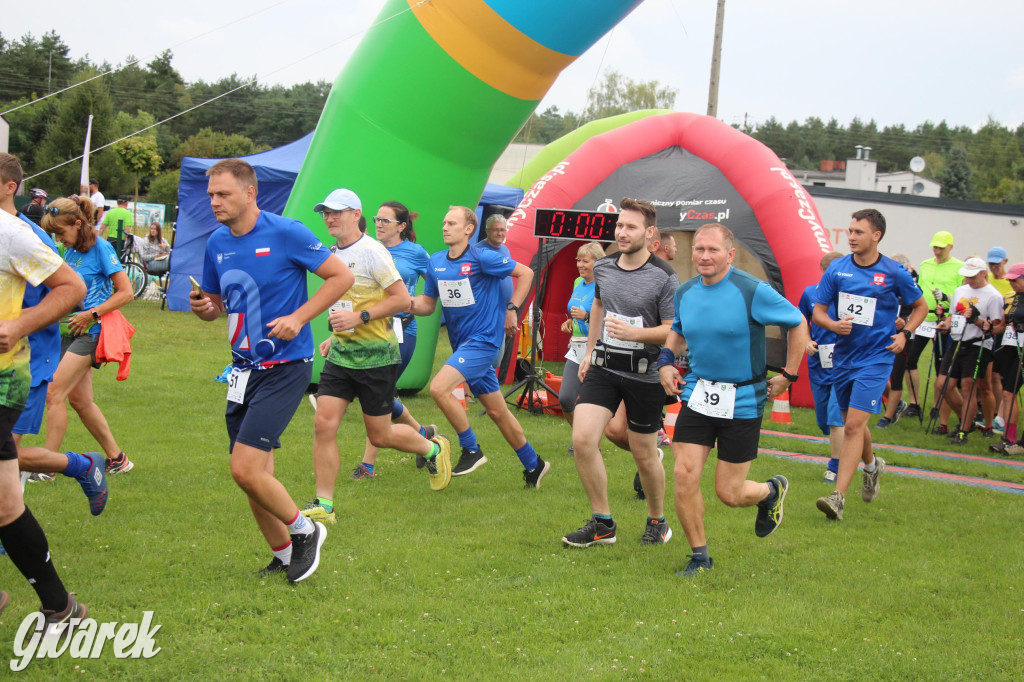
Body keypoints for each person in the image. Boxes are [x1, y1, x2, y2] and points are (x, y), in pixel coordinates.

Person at [189, 159, 353, 583]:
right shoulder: (216, 243)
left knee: (244, 469)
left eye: (223, 194)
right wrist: (205, 308)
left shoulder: (286, 232)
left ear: (249, 193)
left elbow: (340, 277)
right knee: (255, 478)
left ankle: (305, 530)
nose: (214, 202)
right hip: (243, 371)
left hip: (285, 367)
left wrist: (298, 318)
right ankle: (283, 556)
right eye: (210, 195)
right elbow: (215, 304)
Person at [658, 223, 807, 575]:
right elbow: (679, 329)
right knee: (684, 474)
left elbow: (797, 323)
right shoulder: (686, 292)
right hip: (698, 393)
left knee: (730, 492)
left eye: (712, 250)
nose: (705, 256)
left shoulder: (751, 290)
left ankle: (770, 491)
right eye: (699, 249)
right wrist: (666, 362)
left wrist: (789, 375)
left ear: (730, 254)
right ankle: (699, 557)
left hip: (742, 400)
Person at [301, 189, 452, 528]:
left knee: (381, 435)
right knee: (324, 423)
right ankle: (325, 503)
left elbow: (401, 300)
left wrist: (361, 318)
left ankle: (432, 449)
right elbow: (345, 301)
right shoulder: (330, 254)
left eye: (336, 212)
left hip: (377, 358)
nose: (328, 218)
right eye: (325, 212)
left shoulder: (373, 252)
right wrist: (334, 334)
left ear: (356, 214)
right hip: (342, 355)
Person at [560, 198, 677, 549]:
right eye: (619, 226)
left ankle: (658, 521)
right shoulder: (605, 267)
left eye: (631, 227)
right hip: (604, 367)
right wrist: (591, 348)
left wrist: (636, 335)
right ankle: (602, 523)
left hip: (645, 375)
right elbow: (598, 304)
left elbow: (674, 329)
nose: (622, 233)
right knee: (582, 439)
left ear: (649, 232)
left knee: (643, 452)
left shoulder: (665, 277)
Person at [0, 201, 91, 633]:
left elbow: (72, 288)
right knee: (6, 504)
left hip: (4, 379)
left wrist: (19, 325)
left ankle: (82, 465)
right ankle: (60, 607)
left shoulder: (12, 233)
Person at [409, 205, 548, 486]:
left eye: (452, 223)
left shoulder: (482, 257)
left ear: (469, 229)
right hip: (462, 345)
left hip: (484, 341)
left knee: (438, 388)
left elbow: (526, 274)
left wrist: (512, 307)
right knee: (497, 411)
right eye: (444, 223)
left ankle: (471, 448)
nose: (445, 227)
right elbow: (427, 304)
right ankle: (535, 465)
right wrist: (400, 303)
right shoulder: (435, 261)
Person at [0, 154, 107, 514]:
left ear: (10, 187)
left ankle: (81, 465)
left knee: (6, 452)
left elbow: (66, 293)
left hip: (25, 359)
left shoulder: (27, 236)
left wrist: (18, 325)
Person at [814, 208, 926, 522]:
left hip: (877, 359)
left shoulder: (894, 272)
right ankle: (873, 466)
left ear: (876, 236)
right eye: (850, 231)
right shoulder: (836, 269)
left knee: (851, 427)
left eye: (858, 232)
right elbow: (819, 312)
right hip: (844, 358)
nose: (851, 237)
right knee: (855, 424)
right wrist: (833, 325)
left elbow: (921, 306)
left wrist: (905, 333)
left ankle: (837, 497)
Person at [40, 195, 137, 476]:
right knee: (80, 401)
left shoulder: (101, 248)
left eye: (61, 232)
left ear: (78, 224)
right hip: (70, 331)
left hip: (92, 331)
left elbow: (126, 293)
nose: (59, 238)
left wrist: (91, 314)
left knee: (53, 393)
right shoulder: (69, 252)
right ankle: (118, 459)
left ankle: (48, 466)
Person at [359, 201, 438, 474]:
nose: (379, 224)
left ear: (402, 226)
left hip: (402, 330)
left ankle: (367, 464)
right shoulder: (368, 247)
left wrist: (413, 302)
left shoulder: (416, 253)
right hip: (369, 329)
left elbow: (433, 289)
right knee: (378, 393)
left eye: (385, 220)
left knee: (378, 394)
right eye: (377, 219)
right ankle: (423, 433)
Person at [933, 257, 1004, 443]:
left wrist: (977, 320)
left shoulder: (993, 295)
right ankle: (968, 421)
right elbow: (953, 316)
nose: (969, 280)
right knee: (943, 385)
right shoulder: (960, 290)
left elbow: (996, 327)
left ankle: (963, 432)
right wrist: (945, 324)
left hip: (978, 344)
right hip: (957, 341)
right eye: (966, 276)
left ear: (983, 273)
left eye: (973, 276)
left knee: (968, 388)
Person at [903, 231, 963, 419]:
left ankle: (937, 407)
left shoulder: (959, 267)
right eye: (935, 247)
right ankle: (914, 403)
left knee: (940, 364)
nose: (937, 251)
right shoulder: (925, 264)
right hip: (924, 318)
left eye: (941, 247)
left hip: (943, 319)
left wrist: (947, 298)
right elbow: (919, 289)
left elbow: (962, 294)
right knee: (910, 360)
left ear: (950, 247)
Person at [798, 251, 845, 482]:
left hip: (845, 362)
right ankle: (851, 447)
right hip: (819, 361)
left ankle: (835, 466)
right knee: (824, 421)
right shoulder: (810, 293)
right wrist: (807, 340)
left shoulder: (850, 294)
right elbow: (801, 321)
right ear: (824, 272)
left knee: (837, 418)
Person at [558, 243, 605, 431]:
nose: (580, 264)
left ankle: (588, 443)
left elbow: (609, 319)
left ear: (598, 263)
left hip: (596, 348)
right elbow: (575, 311)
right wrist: (571, 321)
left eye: (586, 261)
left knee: (589, 402)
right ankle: (581, 437)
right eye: (578, 260)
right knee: (566, 399)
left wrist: (586, 317)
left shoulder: (603, 286)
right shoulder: (578, 282)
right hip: (576, 347)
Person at [875, 254, 919, 428]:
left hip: (902, 337)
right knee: (878, 372)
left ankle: (888, 415)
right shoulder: (882, 284)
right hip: (881, 335)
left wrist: (906, 324)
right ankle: (897, 403)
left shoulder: (910, 286)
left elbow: (921, 308)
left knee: (896, 374)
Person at [990, 263, 1024, 455]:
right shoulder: (1012, 298)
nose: (1011, 283)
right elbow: (1001, 325)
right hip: (1013, 350)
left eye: (1015, 280)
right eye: (1009, 280)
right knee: (1008, 393)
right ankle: (1010, 439)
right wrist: (986, 327)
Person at [481, 214, 517, 370]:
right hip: (486, 313)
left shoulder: (505, 249)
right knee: (484, 356)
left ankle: (484, 390)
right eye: (496, 230)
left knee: (496, 359)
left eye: (503, 230)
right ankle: (469, 392)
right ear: (487, 231)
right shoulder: (479, 251)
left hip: (503, 312)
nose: (500, 233)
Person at [986, 246, 1014, 433]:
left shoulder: (1010, 283)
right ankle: (995, 413)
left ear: (1005, 261)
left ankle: (1001, 415)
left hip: (1007, 332)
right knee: (991, 375)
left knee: (1001, 376)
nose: (994, 267)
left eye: (997, 263)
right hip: (991, 330)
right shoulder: (987, 281)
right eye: (991, 264)